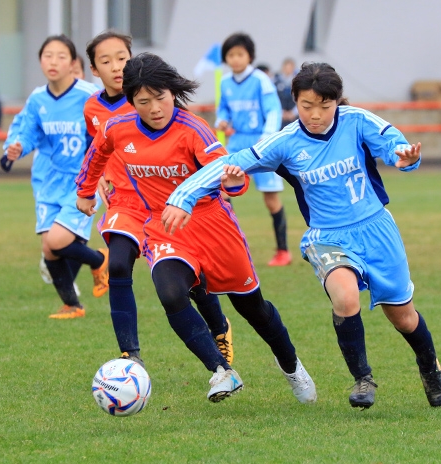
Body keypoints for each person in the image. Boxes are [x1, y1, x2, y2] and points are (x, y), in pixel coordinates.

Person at [163, 62, 441, 410]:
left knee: (403, 316)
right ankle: (363, 377)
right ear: (295, 101)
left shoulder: (357, 121)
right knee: (345, 297)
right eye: (306, 106)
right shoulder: (285, 142)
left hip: (377, 230)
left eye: (324, 106)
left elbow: (395, 146)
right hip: (326, 236)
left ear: (337, 102)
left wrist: (404, 158)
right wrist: (183, 196)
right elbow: (231, 162)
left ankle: (430, 367)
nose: (315, 115)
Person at [75, 52, 316, 404]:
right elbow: (97, 153)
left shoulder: (192, 129)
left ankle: (292, 367)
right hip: (163, 226)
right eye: (144, 101)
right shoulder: (117, 128)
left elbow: (229, 174)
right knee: (170, 292)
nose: (155, 107)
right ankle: (222, 371)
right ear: (131, 102)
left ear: (173, 93)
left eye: (161, 97)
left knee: (254, 310)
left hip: (214, 227)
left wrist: (234, 183)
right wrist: (84, 191)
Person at [83, 30, 233, 367]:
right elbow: (97, 148)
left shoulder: (149, 98)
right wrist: (98, 179)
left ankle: (219, 327)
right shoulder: (92, 108)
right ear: (94, 69)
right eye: (105, 61)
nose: (116, 66)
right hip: (123, 201)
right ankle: (129, 354)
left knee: (190, 278)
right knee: (118, 263)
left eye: (121, 57)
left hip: (165, 202)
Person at [6, 34, 108, 319]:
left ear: (73, 63)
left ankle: (101, 259)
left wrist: (104, 171)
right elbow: (28, 132)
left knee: (57, 241)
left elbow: (105, 134)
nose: (53, 62)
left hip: (82, 182)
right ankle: (73, 305)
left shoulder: (89, 95)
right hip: (48, 182)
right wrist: (16, 147)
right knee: (49, 250)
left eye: (61, 56)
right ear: (40, 60)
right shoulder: (38, 98)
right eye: (47, 55)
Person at [216, 33, 291, 267]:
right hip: (237, 143)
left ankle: (282, 251)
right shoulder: (225, 82)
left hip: (261, 144)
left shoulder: (260, 80)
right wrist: (223, 120)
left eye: (240, 54)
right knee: (223, 194)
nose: (236, 59)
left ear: (250, 56)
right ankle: (231, 248)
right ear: (226, 58)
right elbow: (224, 109)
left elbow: (273, 110)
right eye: (231, 55)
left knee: (270, 198)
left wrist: (268, 137)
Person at [274, 57, 298, 129]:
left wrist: (294, 113)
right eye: (286, 67)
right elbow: (273, 99)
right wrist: (281, 112)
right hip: (279, 116)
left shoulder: (298, 83)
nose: (288, 70)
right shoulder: (275, 82)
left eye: (290, 68)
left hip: (294, 117)